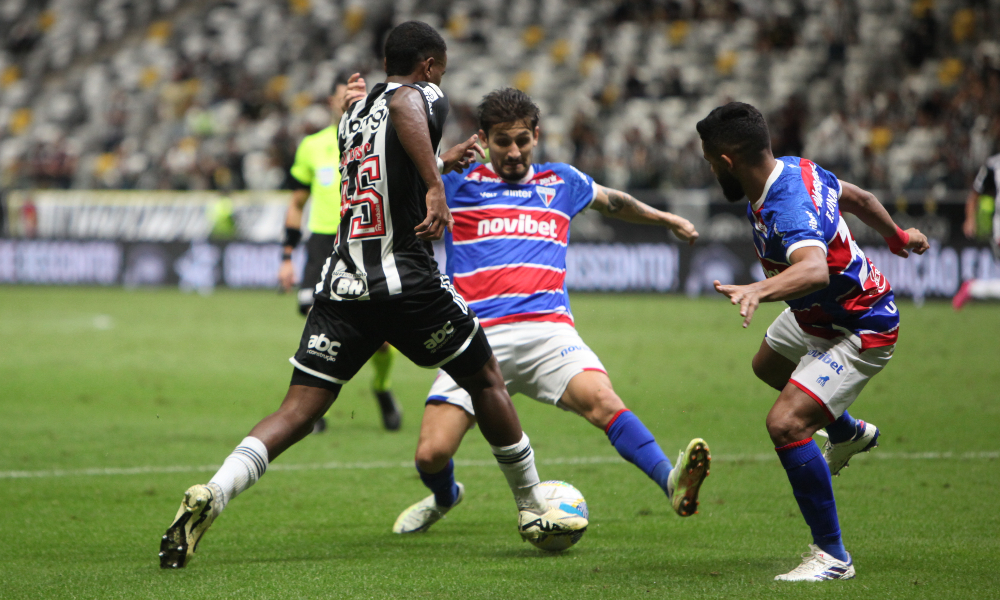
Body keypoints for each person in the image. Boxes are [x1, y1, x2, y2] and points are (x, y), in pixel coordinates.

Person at [159, 21, 586, 570]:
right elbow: (408, 110)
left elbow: (388, 160)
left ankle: (213, 493)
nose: (443, 75)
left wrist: (439, 162)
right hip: (406, 283)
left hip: (342, 284)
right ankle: (531, 505)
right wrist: (436, 184)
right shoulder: (420, 93)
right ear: (429, 65)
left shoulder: (352, 114)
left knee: (295, 410)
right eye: (444, 65)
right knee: (485, 380)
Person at [391, 88, 711, 536]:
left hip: (548, 333)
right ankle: (446, 495)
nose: (514, 151)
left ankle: (670, 482)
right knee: (430, 454)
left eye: (522, 140)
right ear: (484, 139)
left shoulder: (562, 182)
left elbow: (615, 201)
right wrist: (441, 161)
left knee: (604, 402)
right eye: (502, 141)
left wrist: (668, 219)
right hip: (475, 338)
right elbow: (397, 182)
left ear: (536, 136)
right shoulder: (457, 188)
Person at [696, 102, 929, 582]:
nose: (708, 167)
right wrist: (897, 236)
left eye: (708, 159)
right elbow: (858, 197)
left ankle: (832, 557)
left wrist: (759, 289)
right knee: (767, 364)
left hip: (859, 326)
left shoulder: (786, 205)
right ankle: (846, 432)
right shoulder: (798, 168)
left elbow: (814, 268)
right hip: (817, 315)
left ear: (726, 162)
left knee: (785, 424)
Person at [279, 74, 402, 432]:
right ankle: (318, 412)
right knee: (320, 334)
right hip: (321, 245)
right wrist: (287, 256)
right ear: (333, 102)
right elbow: (296, 203)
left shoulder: (379, 139)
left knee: (380, 338)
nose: (346, 101)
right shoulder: (313, 146)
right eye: (341, 96)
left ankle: (381, 387)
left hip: (365, 241)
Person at [953, 152, 1000, 309]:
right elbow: (975, 194)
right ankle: (972, 288)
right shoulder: (993, 165)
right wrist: (970, 219)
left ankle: (973, 288)